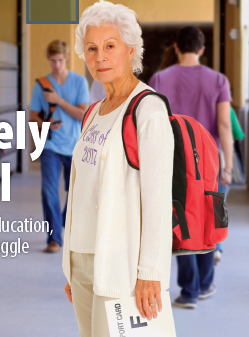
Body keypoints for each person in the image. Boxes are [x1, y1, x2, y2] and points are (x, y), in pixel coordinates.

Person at [62, 1, 174, 336]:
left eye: (110, 47)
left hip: (119, 261)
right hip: (82, 259)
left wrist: (150, 272)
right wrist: (72, 266)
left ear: (131, 50)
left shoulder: (147, 110)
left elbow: (157, 200)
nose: (100, 58)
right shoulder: (94, 111)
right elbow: (82, 189)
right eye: (92, 48)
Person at [149, 26, 233, 309]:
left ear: (175, 48)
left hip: (174, 161)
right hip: (210, 161)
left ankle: (190, 290)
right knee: (209, 216)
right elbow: (223, 125)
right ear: (202, 49)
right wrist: (229, 164)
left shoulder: (160, 78)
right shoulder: (219, 80)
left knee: (181, 218)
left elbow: (152, 122)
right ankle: (206, 283)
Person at [30, 40, 89, 253]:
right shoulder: (41, 84)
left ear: (67, 59)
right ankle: (54, 238)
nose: (57, 65)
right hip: (50, 146)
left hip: (76, 146)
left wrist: (58, 100)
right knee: (48, 191)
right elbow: (33, 115)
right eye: (53, 61)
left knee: (76, 192)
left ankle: (63, 221)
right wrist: (46, 124)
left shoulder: (79, 82)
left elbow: (83, 114)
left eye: (61, 61)